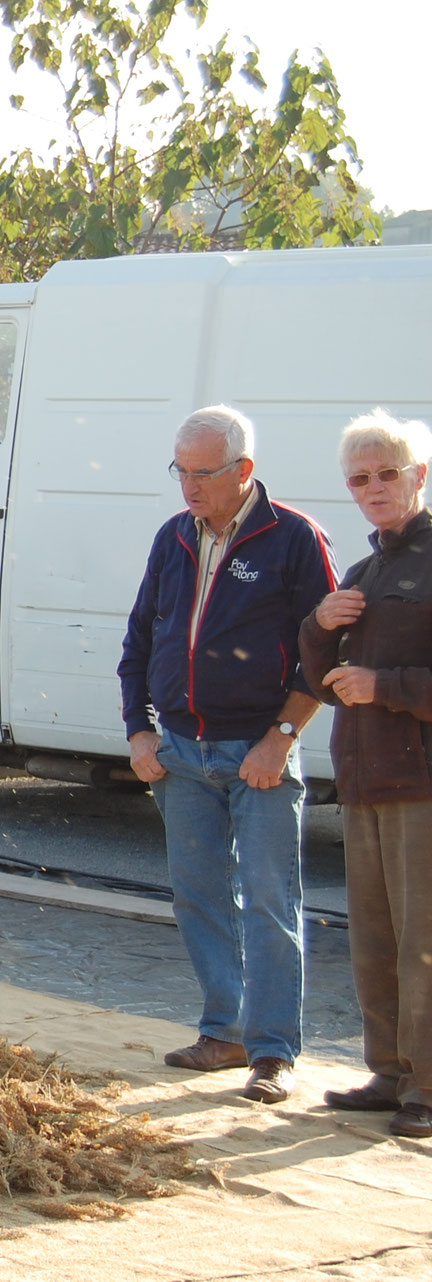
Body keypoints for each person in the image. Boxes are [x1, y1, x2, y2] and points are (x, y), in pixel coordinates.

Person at [118, 405, 337, 1103]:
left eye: (203, 474)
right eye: (180, 471)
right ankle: (225, 1031)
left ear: (243, 470)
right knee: (200, 895)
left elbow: (324, 655)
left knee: (271, 900)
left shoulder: (294, 540)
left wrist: (282, 737)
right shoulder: (173, 538)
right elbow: (140, 643)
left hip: (259, 755)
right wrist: (139, 731)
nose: (189, 487)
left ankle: (272, 1052)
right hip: (181, 753)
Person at [298, 409, 432, 1139]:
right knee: (375, 938)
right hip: (364, 779)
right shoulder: (363, 571)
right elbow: (321, 681)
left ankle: (429, 1086)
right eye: (360, 478)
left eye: (388, 473)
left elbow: (378, 682)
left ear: (420, 475)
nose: (374, 487)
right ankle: (389, 1070)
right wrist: (319, 623)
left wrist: (387, 687)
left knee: (425, 940)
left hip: (422, 784)